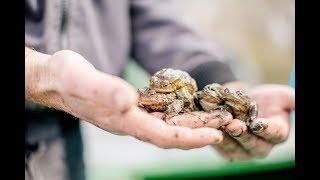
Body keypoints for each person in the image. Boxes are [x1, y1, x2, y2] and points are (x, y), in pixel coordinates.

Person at [25, 0, 295, 180]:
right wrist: (39, 73)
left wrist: (221, 82)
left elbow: (153, 18)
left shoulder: (183, 92)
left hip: (64, 151)